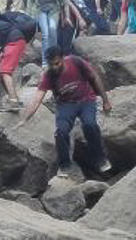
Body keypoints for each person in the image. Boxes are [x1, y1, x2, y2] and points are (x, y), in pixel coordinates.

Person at [17, 46, 113, 177]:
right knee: (61, 131)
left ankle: (101, 159)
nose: (55, 67)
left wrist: (105, 100)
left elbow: (94, 77)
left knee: (90, 125)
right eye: (51, 65)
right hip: (66, 105)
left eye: (57, 63)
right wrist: (25, 119)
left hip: (86, 100)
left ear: (63, 59)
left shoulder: (75, 62)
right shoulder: (48, 75)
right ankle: (65, 165)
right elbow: (37, 99)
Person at [25, 0, 77, 66]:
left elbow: (65, 2)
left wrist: (67, 17)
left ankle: (53, 58)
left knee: (53, 30)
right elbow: (32, 0)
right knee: (45, 34)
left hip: (54, 10)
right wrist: (28, 14)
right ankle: (45, 62)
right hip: (41, 10)